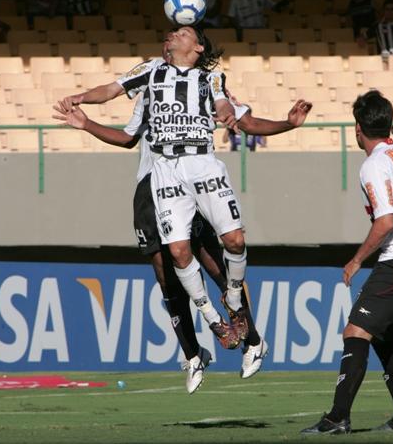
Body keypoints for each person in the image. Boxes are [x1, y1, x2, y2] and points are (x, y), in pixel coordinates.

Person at [57, 26, 312, 386]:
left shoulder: (210, 81)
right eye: (169, 34)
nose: (169, 36)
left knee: (221, 257)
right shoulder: (147, 79)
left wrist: (286, 123)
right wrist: (84, 115)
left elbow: (237, 115)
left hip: (199, 168)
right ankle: (195, 351)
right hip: (156, 180)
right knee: (168, 269)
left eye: (179, 32)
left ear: (197, 45)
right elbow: (125, 126)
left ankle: (249, 335)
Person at [301, 91, 393, 435]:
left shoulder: (374, 164)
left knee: (355, 331)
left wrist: (355, 261)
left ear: (357, 128)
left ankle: (337, 417)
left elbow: (384, 222)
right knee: (384, 340)